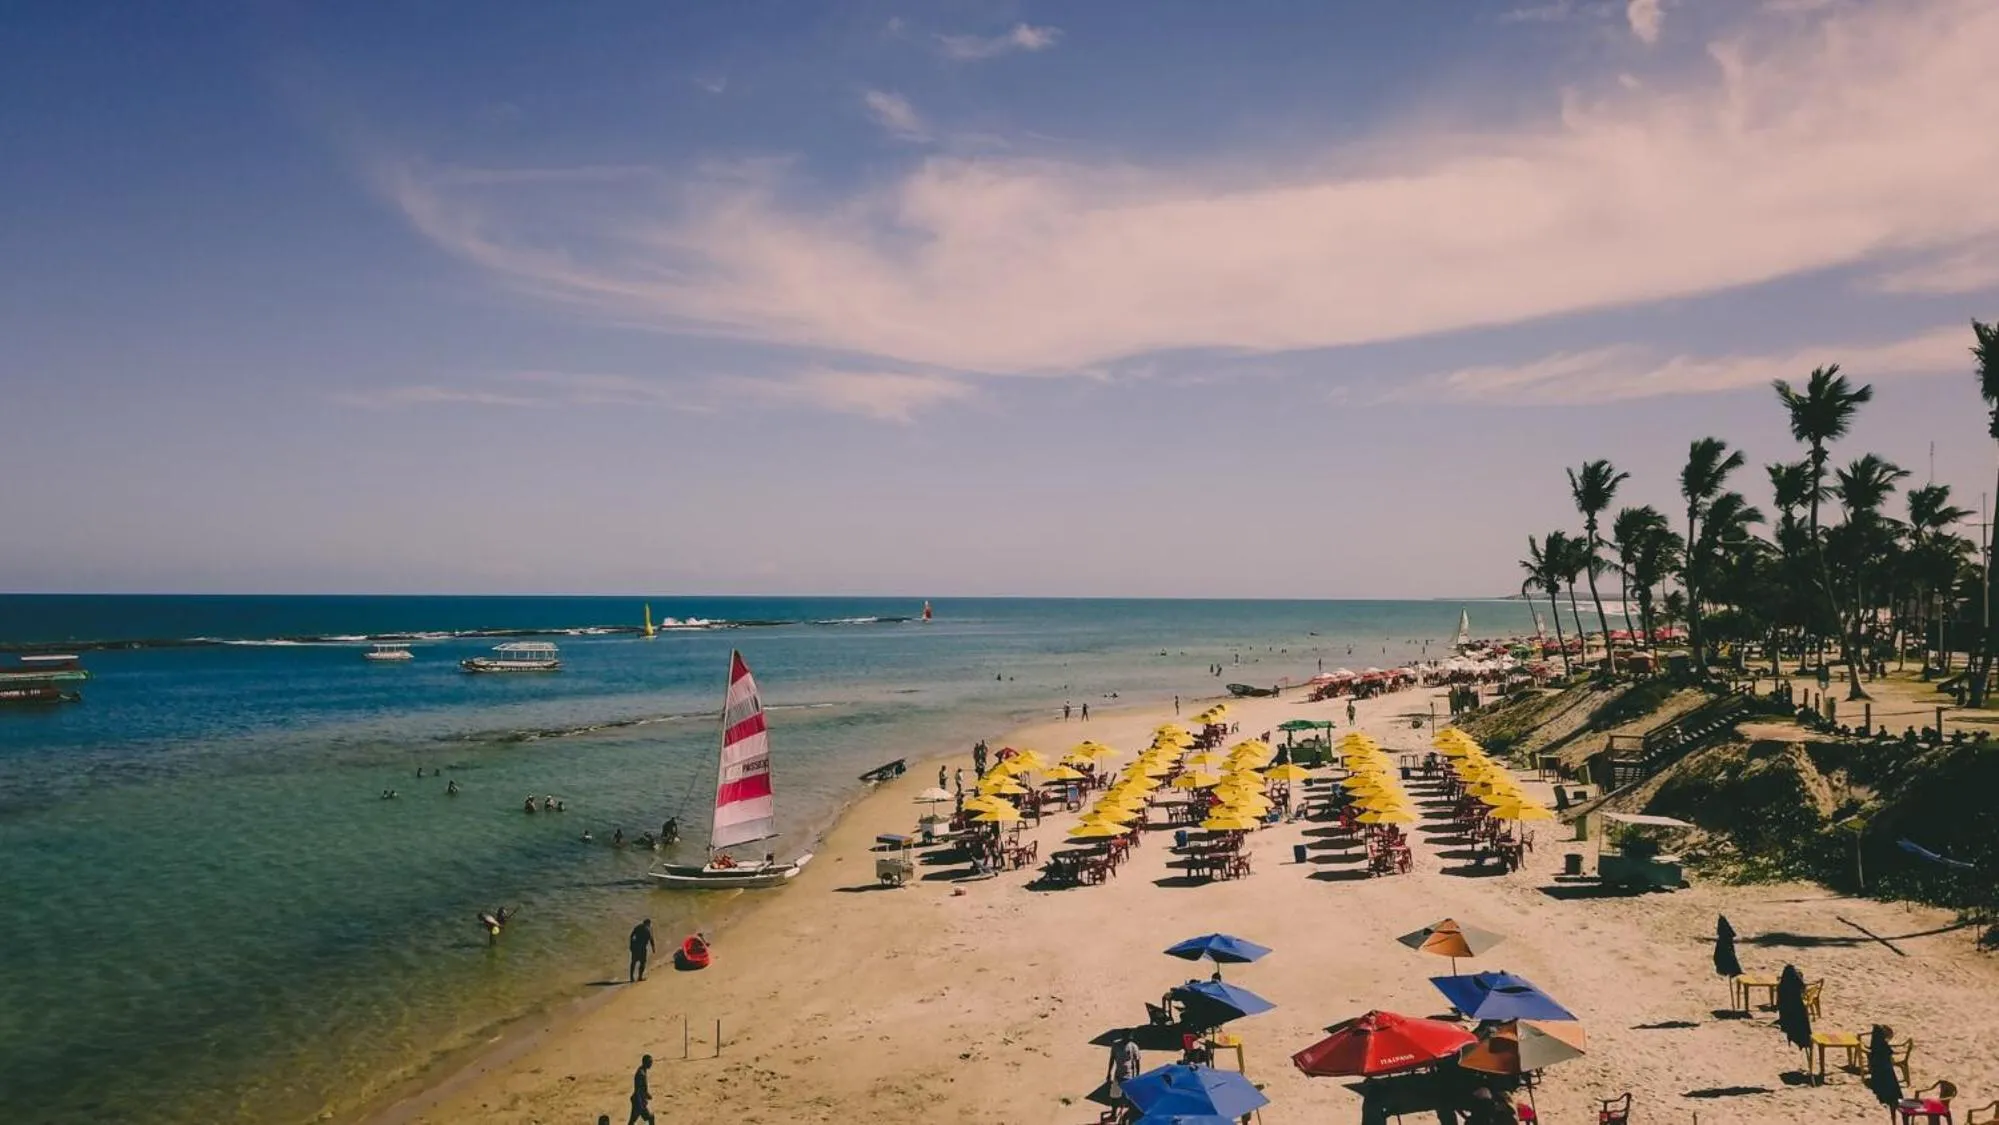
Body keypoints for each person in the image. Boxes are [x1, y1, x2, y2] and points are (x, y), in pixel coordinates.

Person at [628, 1054, 655, 1125]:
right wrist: (641, 1104)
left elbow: (642, 1088)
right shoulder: (641, 1074)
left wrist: (647, 1094)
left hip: (639, 1100)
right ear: (645, 1062)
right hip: (638, 1101)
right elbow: (638, 1090)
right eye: (650, 1062)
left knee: (632, 1120)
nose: (651, 1064)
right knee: (650, 1117)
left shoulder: (643, 1071)